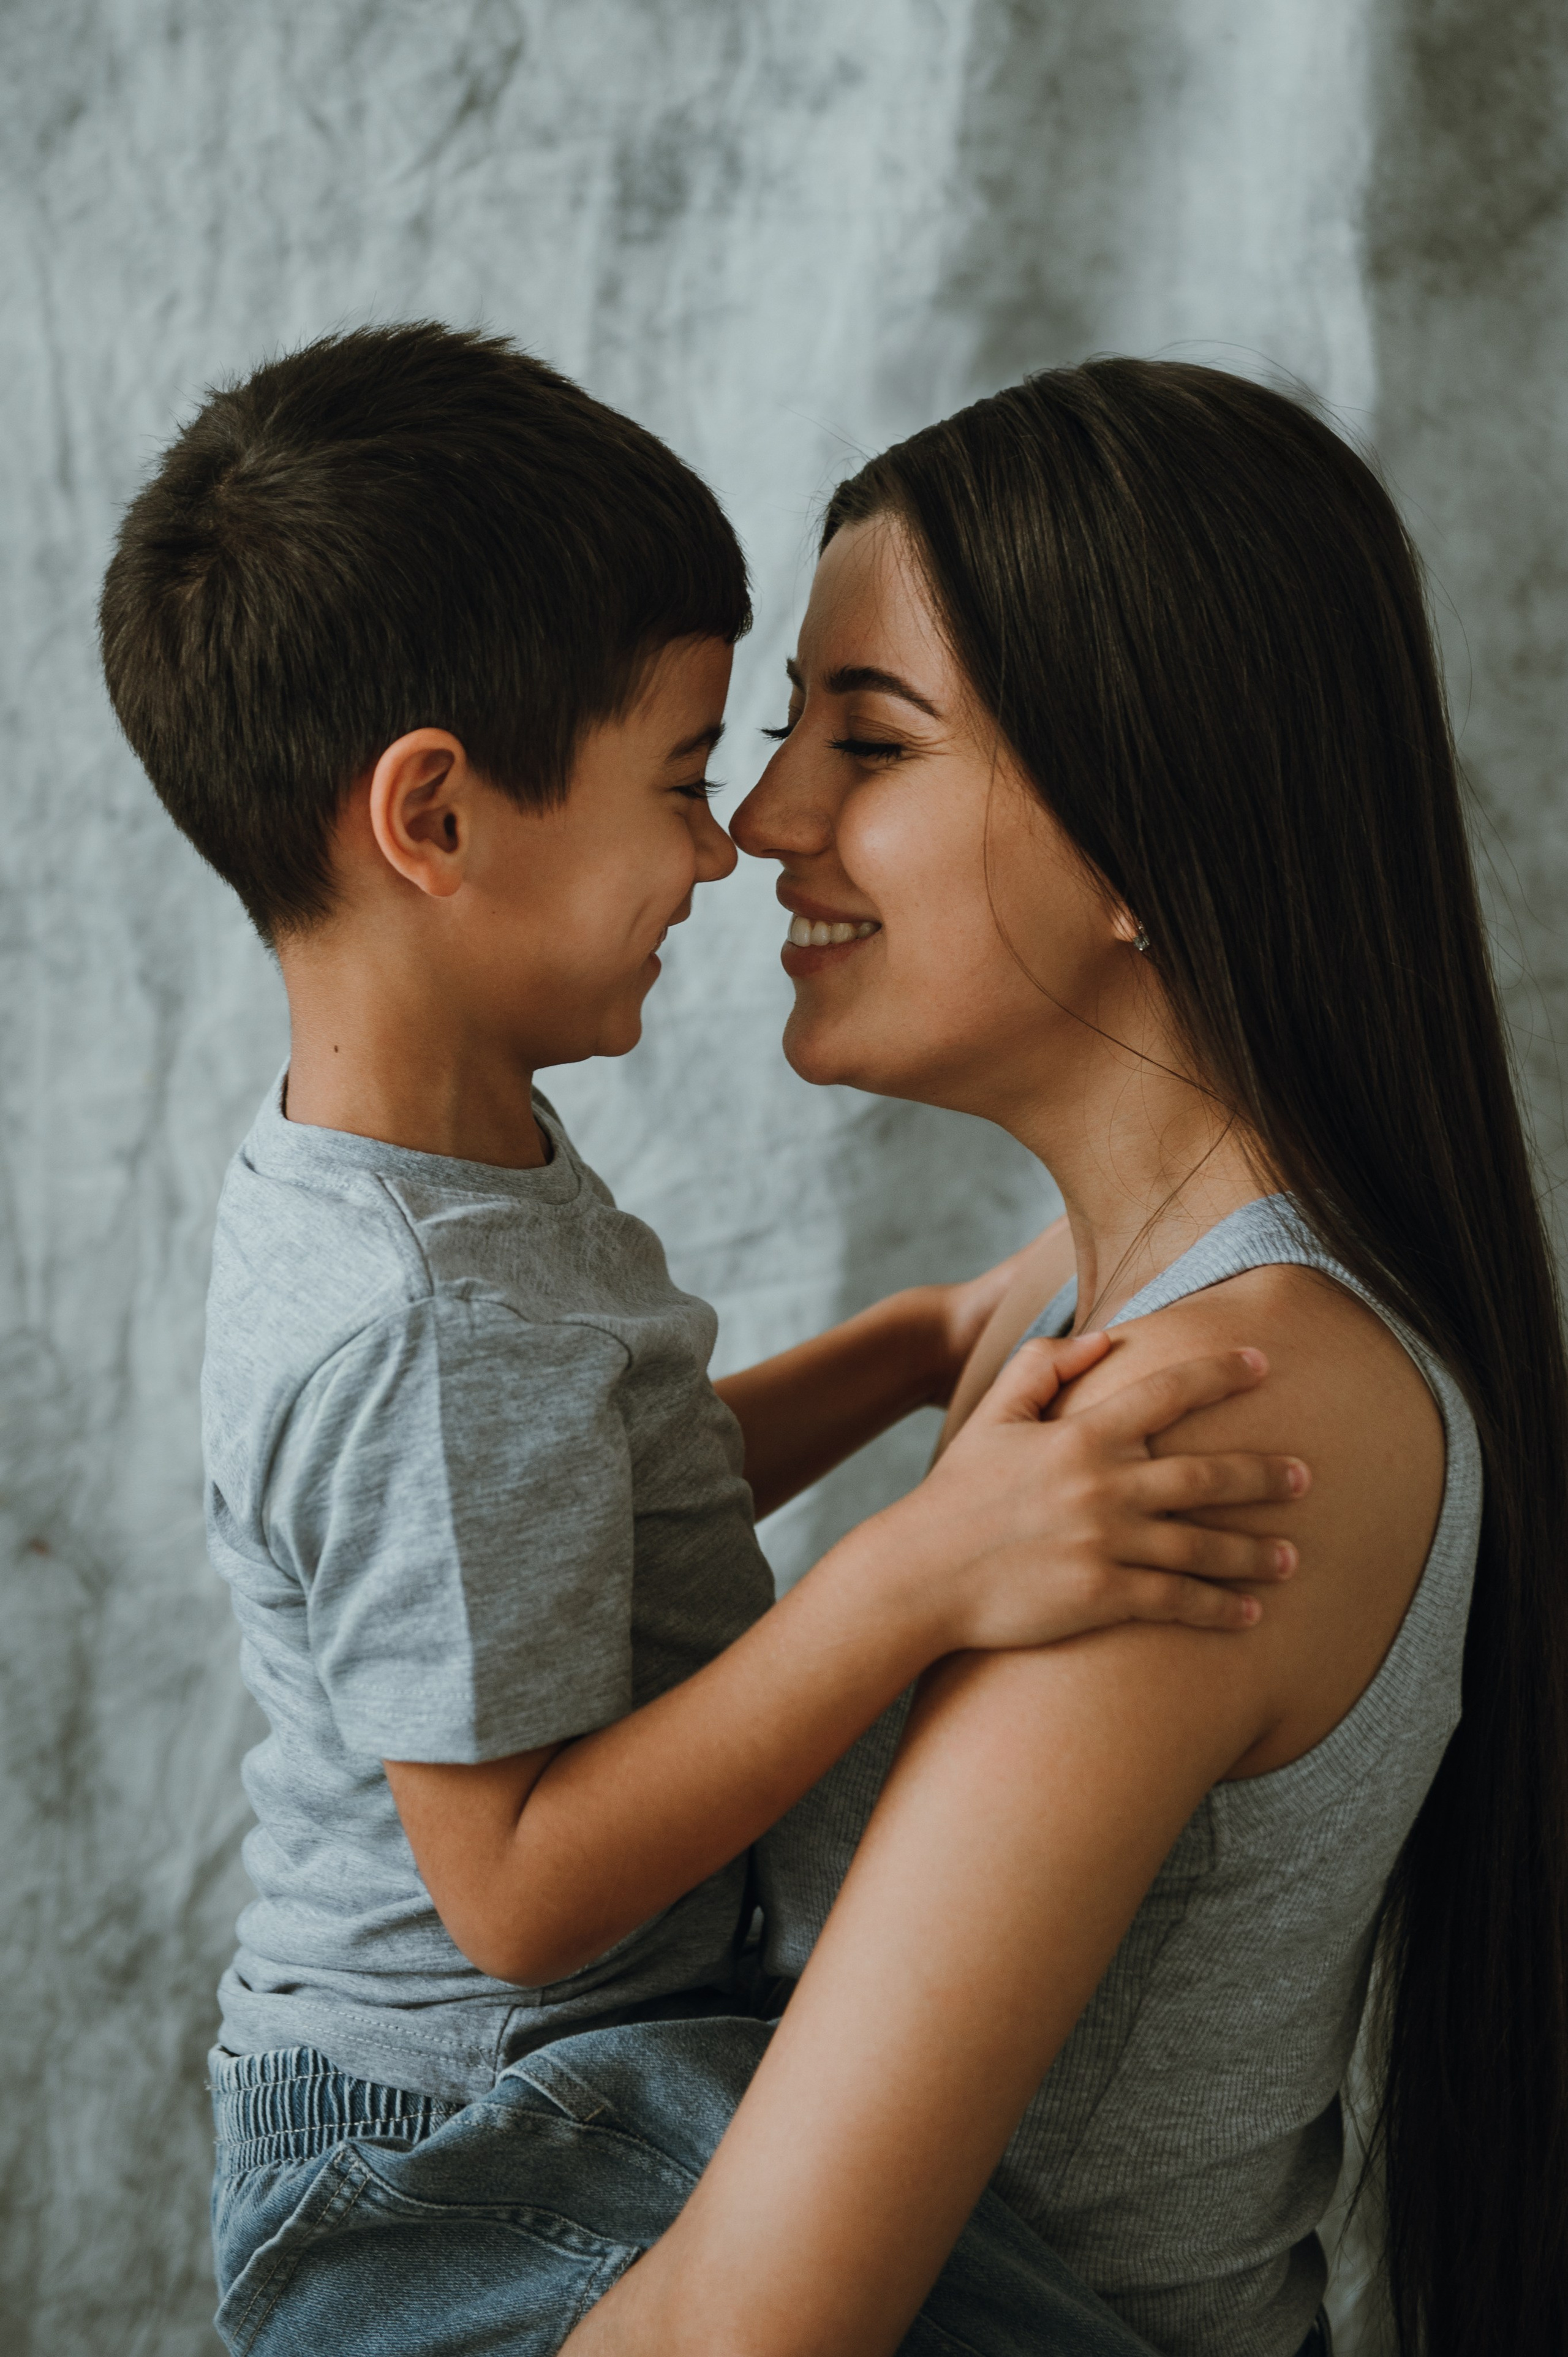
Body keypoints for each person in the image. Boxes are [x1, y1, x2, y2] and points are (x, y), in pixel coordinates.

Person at [97, 327, 1300, 2357]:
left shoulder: (433, 1192)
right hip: (457, 2160)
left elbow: (585, 1529)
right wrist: (918, 1575)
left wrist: (925, 1346)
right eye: (679, 776)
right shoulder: (421, 1317)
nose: (731, 841)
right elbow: (521, 1891)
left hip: (546, 2085)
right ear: (436, 819)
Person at [554, 363, 1568, 2357]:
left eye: (871, 739)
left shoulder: (1209, 1426)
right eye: (780, 738)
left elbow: (744, 2334)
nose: (764, 821)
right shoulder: (1095, 1310)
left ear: (1147, 826)